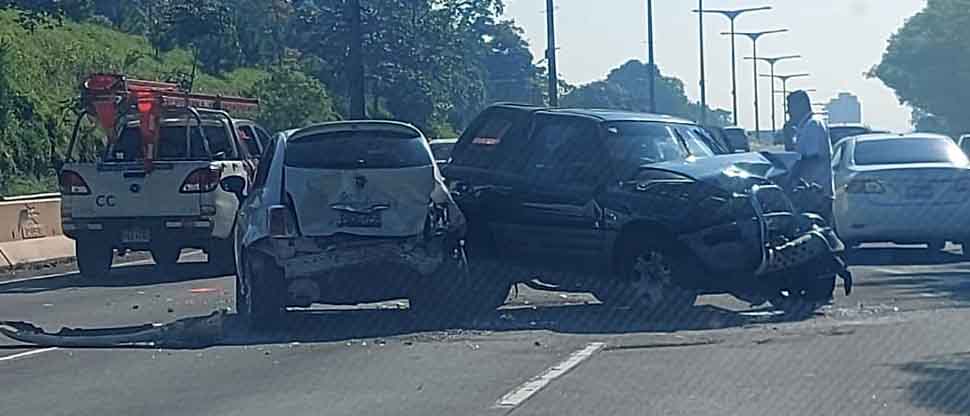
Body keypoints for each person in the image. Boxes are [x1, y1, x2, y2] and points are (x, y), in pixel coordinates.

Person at [786, 90, 835, 224]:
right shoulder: (806, 126)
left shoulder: (813, 125)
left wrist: (790, 178)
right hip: (812, 193)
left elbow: (810, 157)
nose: (788, 112)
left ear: (801, 105)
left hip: (816, 193)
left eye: (790, 107)